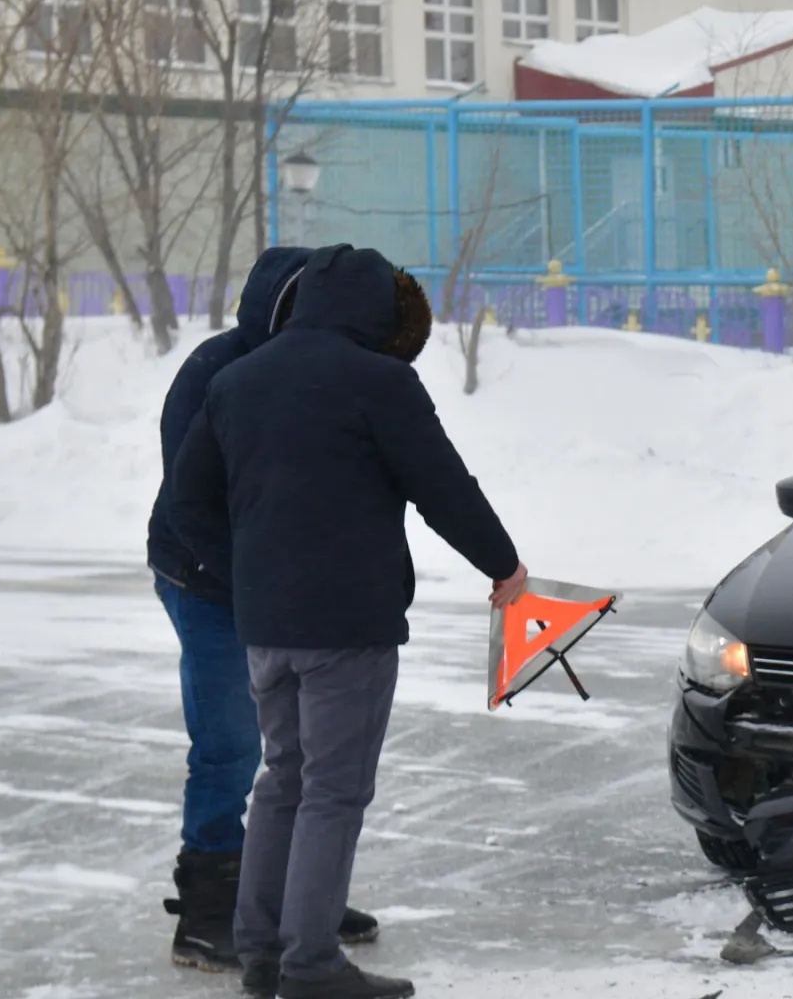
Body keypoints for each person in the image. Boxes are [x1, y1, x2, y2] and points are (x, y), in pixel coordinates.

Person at [171, 245, 528, 999]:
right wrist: (503, 564)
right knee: (333, 791)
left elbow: (185, 504)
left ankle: (261, 952)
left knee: (282, 782)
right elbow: (442, 486)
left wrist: (249, 580)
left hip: (264, 626)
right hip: (347, 626)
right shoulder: (380, 382)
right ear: (376, 311)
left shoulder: (238, 380)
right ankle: (310, 965)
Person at [148, 247, 380, 973]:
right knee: (232, 747)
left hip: (284, 591)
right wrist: (243, 573)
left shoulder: (327, 369)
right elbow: (193, 496)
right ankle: (209, 910)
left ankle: (285, 896)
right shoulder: (219, 372)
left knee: (310, 750)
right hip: (209, 583)